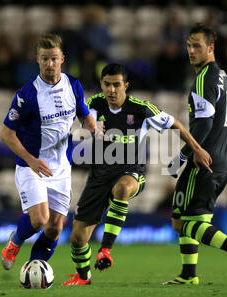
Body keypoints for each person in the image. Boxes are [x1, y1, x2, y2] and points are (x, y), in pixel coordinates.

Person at [63, 63, 212, 285]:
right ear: (101, 85)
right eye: (107, 84)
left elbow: (175, 124)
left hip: (131, 172)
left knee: (122, 188)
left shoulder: (141, 109)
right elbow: (76, 121)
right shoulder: (94, 104)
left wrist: (197, 149)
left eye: (116, 84)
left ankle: (106, 249)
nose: (111, 90)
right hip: (99, 176)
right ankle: (84, 276)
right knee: (77, 239)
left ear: (126, 86)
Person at [163, 23, 227, 285]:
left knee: (180, 221)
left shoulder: (203, 81)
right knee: (196, 218)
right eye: (189, 45)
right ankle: (189, 275)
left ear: (210, 48)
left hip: (203, 160)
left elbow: (203, 125)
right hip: (224, 160)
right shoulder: (223, 77)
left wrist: (182, 156)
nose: (191, 50)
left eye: (197, 46)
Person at [0, 33, 96, 271]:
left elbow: (84, 115)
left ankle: (36, 269)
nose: (49, 64)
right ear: (37, 60)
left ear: (62, 58)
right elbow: (6, 133)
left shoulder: (73, 85)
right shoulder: (27, 95)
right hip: (32, 166)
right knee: (39, 220)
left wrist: (92, 126)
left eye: (54, 58)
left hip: (61, 167)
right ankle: (15, 240)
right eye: (44, 59)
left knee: (55, 228)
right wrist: (31, 160)